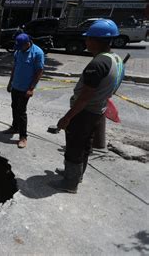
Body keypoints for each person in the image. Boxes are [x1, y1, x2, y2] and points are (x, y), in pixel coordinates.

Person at [52, 19, 124, 193]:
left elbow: (84, 97)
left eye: (88, 38)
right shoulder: (116, 59)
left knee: (75, 146)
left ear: (96, 40)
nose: (86, 42)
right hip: (98, 110)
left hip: (85, 112)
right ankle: (77, 175)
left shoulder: (97, 64)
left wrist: (66, 118)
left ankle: (70, 183)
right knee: (86, 145)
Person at [3, 33, 45, 148]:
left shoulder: (37, 53)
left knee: (21, 112)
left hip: (25, 88)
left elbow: (39, 72)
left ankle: (23, 137)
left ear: (27, 43)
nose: (19, 49)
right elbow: (15, 67)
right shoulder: (18, 52)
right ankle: (15, 127)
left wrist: (31, 88)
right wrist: (10, 82)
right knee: (14, 106)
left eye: (21, 46)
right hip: (15, 86)